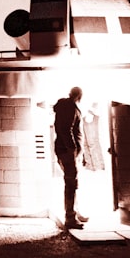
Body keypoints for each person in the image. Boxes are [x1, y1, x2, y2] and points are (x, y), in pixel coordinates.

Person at [54, 86, 87, 229]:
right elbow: (66, 130)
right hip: (68, 151)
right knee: (71, 183)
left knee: (72, 182)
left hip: (65, 150)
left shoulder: (64, 106)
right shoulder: (70, 108)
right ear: (79, 96)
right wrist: (72, 149)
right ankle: (70, 217)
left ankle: (74, 212)